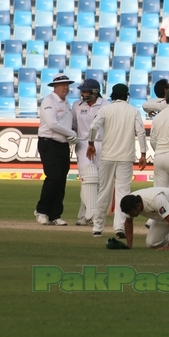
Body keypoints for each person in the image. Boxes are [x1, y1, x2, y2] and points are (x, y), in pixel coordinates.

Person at [87, 83, 148, 238]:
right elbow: (140, 132)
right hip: (126, 158)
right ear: (126, 96)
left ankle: (97, 227)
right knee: (123, 192)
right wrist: (143, 153)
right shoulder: (133, 111)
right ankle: (119, 227)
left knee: (104, 191)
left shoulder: (105, 109)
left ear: (113, 95)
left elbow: (93, 127)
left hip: (108, 156)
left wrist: (91, 143)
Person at [34, 74, 79, 227]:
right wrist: (71, 134)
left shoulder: (66, 103)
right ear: (55, 86)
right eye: (63, 85)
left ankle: (55, 215)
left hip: (62, 145)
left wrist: (73, 133)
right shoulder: (49, 101)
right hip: (48, 143)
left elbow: (70, 124)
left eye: (67, 85)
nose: (66, 88)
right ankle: (41, 211)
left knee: (61, 180)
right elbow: (52, 124)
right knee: (53, 177)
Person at [71, 79, 104, 227]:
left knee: (97, 181)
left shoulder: (106, 105)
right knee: (88, 176)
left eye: (86, 91)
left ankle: (89, 214)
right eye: (82, 91)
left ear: (95, 92)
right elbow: (73, 126)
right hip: (83, 143)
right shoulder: (77, 105)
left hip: (102, 143)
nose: (83, 93)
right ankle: (89, 215)